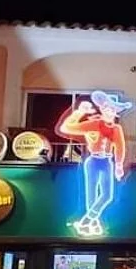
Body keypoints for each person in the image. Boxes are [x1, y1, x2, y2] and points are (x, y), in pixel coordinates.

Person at [56, 91, 130, 237]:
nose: (110, 112)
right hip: (93, 161)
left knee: (107, 195)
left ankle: (85, 222)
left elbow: (120, 147)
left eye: (113, 110)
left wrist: (119, 165)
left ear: (116, 113)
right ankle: (94, 225)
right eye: (107, 109)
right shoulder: (94, 124)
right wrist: (78, 113)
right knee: (91, 195)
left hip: (107, 162)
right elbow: (66, 128)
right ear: (102, 110)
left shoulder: (116, 129)